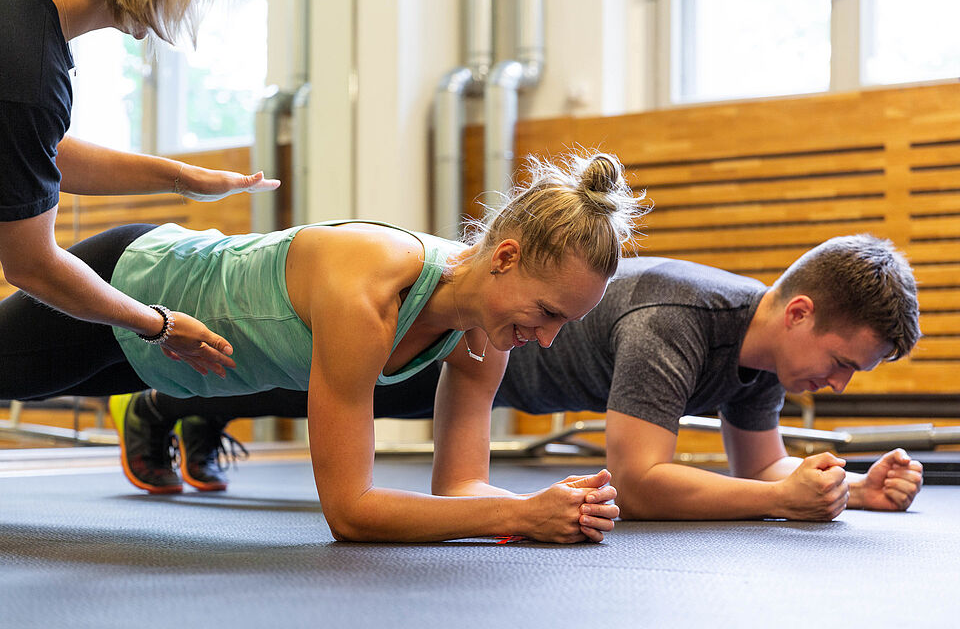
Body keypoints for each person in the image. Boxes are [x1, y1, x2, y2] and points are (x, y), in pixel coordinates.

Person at [0, 151, 648, 543]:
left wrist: (542, 508)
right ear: (505, 257)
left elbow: (460, 485)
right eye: (546, 312)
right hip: (130, 290)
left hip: (175, 365)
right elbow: (351, 512)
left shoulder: (484, 339)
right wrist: (520, 520)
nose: (547, 338)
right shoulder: (369, 293)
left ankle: (150, 409)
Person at [144, 234, 924, 521]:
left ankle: (185, 403)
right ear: (797, 314)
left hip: (505, 378)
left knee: (326, 384)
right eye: (843, 362)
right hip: (481, 348)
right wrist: (777, 499)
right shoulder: (680, 321)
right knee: (319, 377)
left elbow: (763, 469)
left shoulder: (760, 360)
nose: (841, 383)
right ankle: (162, 399)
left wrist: (844, 486)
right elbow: (643, 482)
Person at [0, 0, 280, 375]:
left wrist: (181, 177)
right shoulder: (27, 72)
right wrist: (160, 325)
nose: (194, 6)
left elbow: (33, 148)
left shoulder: (22, 19)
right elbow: (32, 266)